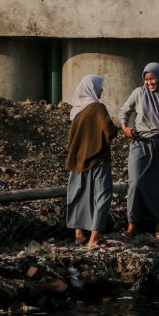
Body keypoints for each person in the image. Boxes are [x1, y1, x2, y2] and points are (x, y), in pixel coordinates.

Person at [118, 62, 159, 240]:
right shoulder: (139, 93)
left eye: (152, 78)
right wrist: (125, 127)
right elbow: (124, 110)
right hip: (140, 143)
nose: (149, 83)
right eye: (147, 79)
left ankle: (158, 226)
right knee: (136, 183)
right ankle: (132, 225)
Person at [65, 74, 119, 249]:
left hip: (78, 160)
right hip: (99, 158)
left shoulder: (76, 111)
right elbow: (109, 132)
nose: (101, 90)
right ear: (93, 88)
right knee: (102, 195)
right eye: (100, 87)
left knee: (78, 194)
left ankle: (79, 234)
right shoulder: (98, 107)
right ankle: (94, 238)